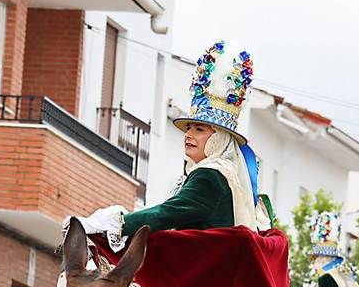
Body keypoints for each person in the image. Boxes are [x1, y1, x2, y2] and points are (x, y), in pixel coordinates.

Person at [82, 41, 260, 248]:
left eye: (199, 129)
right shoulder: (214, 172)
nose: (188, 135)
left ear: (219, 138)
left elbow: (167, 213)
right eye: (189, 128)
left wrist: (118, 224)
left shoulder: (211, 175)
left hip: (200, 270)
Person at [307, 211, 359, 287]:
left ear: (323, 259)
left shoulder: (328, 278)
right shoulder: (342, 274)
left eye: (314, 259)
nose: (312, 264)